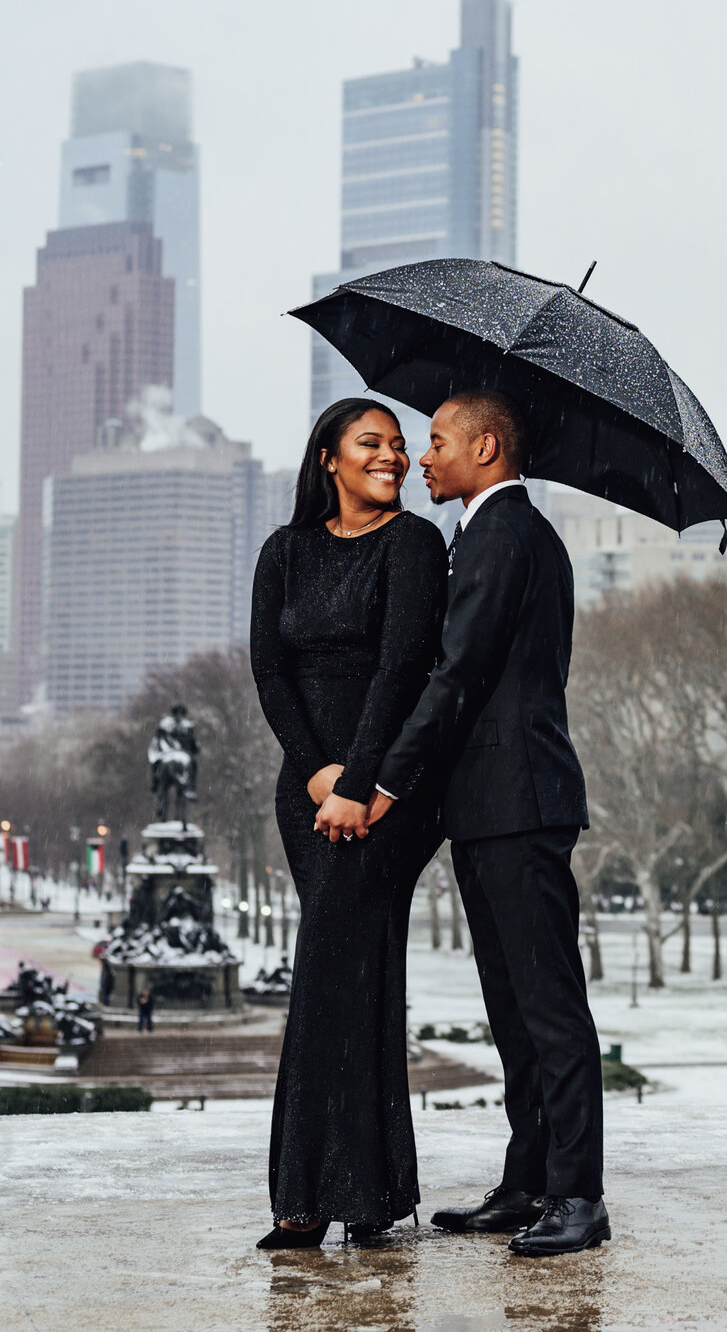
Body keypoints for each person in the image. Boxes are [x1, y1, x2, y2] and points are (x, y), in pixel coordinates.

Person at [316, 390, 607, 1258]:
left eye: (435, 441)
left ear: (485, 446)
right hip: (492, 809)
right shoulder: (494, 535)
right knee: (513, 1010)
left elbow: (455, 677)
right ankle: (528, 1181)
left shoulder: (507, 535)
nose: (420, 459)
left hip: (519, 805)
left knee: (550, 1008)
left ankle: (578, 1195)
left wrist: (379, 786)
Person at [252, 397, 450, 1252]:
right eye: (373, 442)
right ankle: (370, 1195)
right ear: (328, 457)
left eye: (403, 446)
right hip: (309, 794)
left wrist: (361, 780)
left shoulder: (416, 544)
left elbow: (405, 665)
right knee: (355, 967)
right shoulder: (283, 552)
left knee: (331, 966)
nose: (394, 457)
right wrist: (315, 772)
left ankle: (306, 1196)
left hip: (386, 802)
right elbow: (268, 667)